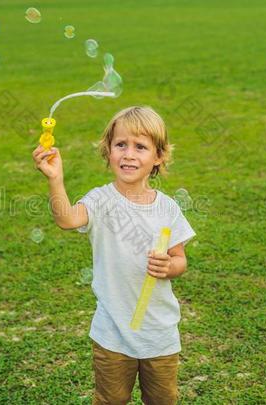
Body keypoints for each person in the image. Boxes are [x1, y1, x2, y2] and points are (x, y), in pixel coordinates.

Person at [32, 106, 196, 404]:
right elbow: (67, 219)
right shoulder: (100, 200)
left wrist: (169, 266)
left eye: (140, 147)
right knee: (110, 400)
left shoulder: (168, 207)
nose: (129, 154)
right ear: (108, 151)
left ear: (158, 157)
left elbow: (180, 259)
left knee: (162, 400)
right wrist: (55, 179)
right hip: (112, 333)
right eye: (121, 144)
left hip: (158, 333)